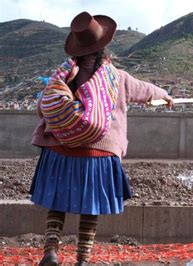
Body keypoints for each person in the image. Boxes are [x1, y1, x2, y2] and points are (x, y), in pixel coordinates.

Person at [30, 12, 173, 265]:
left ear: (76, 47)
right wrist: (166, 95)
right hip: (98, 154)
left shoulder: (63, 74)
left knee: (57, 202)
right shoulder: (115, 77)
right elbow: (145, 91)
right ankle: (83, 259)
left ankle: (51, 250)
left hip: (59, 150)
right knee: (91, 206)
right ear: (103, 47)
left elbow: (43, 106)